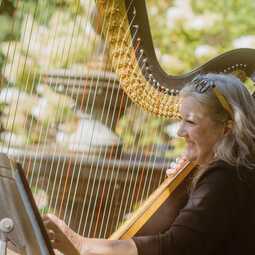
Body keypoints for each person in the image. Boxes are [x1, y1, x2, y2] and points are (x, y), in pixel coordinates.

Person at [44, 73, 255, 254]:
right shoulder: (232, 171)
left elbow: (175, 246)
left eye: (190, 122)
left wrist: (82, 244)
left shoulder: (224, 178)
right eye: (180, 120)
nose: (180, 132)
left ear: (227, 129)